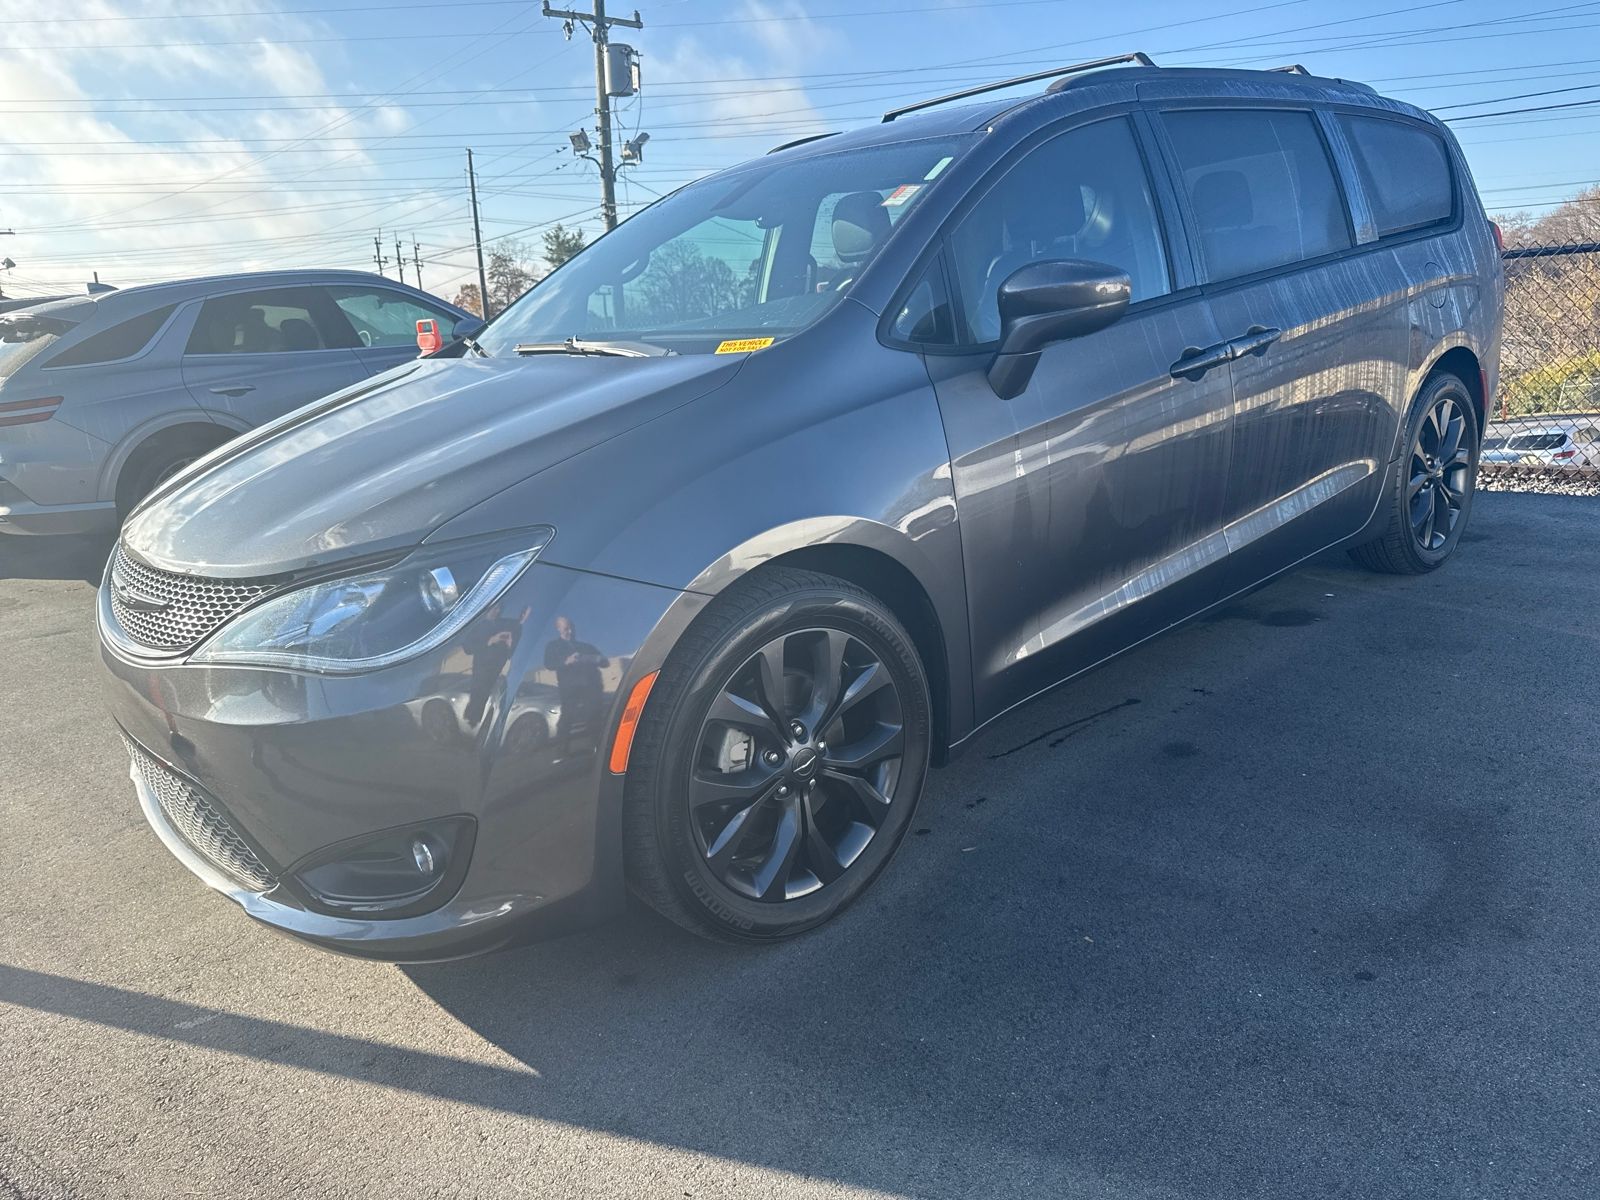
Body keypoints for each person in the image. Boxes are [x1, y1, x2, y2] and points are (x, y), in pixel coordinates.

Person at [543, 616, 608, 754]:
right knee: (567, 716)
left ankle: (598, 746)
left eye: (571, 628)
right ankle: (562, 750)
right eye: (566, 628)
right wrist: (566, 661)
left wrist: (593, 658)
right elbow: (548, 664)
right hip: (569, 687)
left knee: (594, 715)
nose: (570, 631)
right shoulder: (553, 646)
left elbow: (605, 662)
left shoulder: (585, 646)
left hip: (591, 685)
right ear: (558, 628)